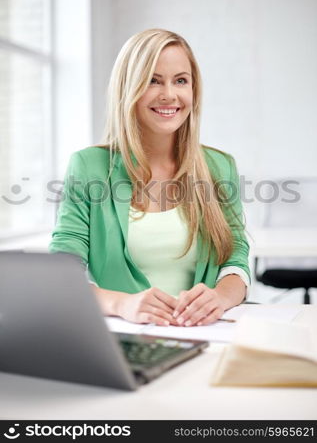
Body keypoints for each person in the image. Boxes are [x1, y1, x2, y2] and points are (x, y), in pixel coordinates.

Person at [49, 28, 250, 327]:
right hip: (126, 337)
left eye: (180, 80)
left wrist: (220, 297)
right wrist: (122, 304)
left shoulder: (219, 166)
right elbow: (61, 274)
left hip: (206, 337)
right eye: (153, 81)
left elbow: (236, 260)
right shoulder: (89, 166)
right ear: (128, 88)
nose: (169, 94)